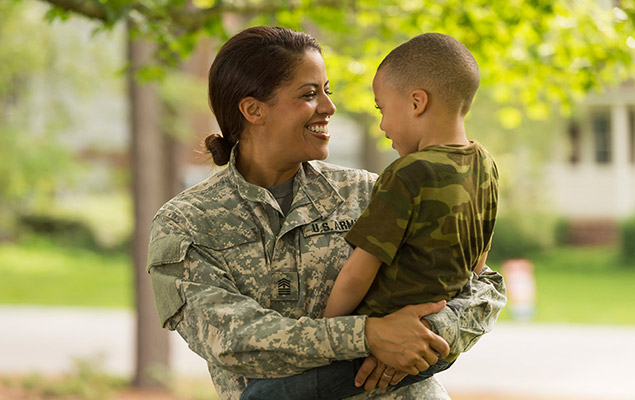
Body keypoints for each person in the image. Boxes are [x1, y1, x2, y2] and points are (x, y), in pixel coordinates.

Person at [147, 26, 506, 400]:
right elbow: (231, 338)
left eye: (327, 91)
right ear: (253, 110)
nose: (329, 107)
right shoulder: (186, 223)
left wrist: (424, 333)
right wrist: (369, 336)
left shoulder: (372, 191)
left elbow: (483, 287)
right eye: (309, 94)